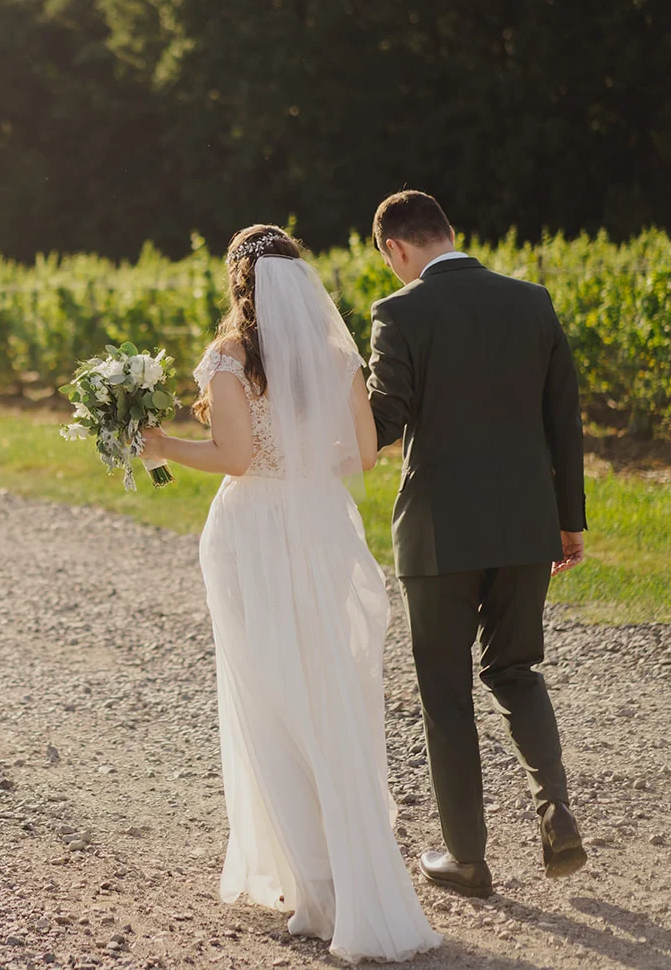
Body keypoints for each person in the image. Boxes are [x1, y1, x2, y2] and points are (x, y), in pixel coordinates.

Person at [141, 224, 442, 963]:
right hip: (321, 524)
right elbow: (365, 452)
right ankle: (348, 883)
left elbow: (236, 456)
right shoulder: (336, 356)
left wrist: (162, 446)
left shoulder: (231, 358)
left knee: (271, 700)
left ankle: (317, 890)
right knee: (329, 696)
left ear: (237, 280)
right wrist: (305, 462)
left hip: (254, 535)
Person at [364, 190, 587, 899]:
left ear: (396, 249)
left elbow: (385, 424)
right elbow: (565, 421)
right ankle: (554, 806)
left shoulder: (398, 314)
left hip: (438, 534)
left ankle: (467, 859)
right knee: (516, 668)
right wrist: (568, 520)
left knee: (445, 693)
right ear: (449, 233)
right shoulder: (533, 301)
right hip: (527, 524)